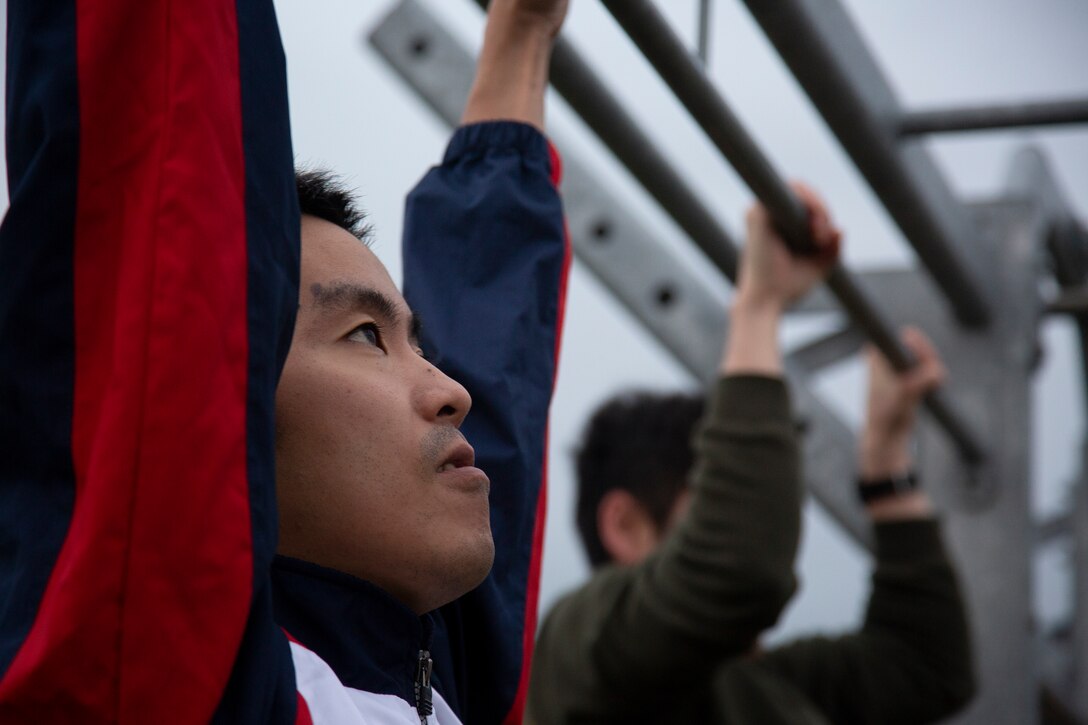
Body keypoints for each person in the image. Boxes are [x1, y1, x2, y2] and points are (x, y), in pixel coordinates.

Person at [0, 0, 569, 722]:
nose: (452, 390)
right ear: (234, 413)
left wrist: (522, 35)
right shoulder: (187, 683)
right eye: (366, 335)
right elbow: (163, 182)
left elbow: (499, 349)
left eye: (419, 345)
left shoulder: (455, 680)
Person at [527, 195, 976, 723]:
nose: (772, 530)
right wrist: (760, 304)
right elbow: (741, 567)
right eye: (711, 502)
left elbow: (924, 667)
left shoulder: (764, 684)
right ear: (626, 526)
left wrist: (885, 463)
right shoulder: (584, 649)